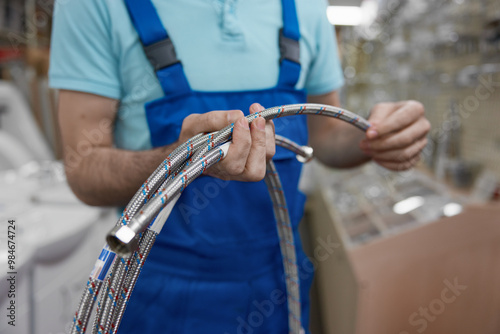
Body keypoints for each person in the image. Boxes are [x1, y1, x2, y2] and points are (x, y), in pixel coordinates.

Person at [49, 0, 430, 333]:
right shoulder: (93, 4)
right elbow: (85, 168)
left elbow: (326, 137)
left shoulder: (307, 6)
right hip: (160, 293)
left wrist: (375, 138)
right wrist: (182, 157)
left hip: (279, 282)